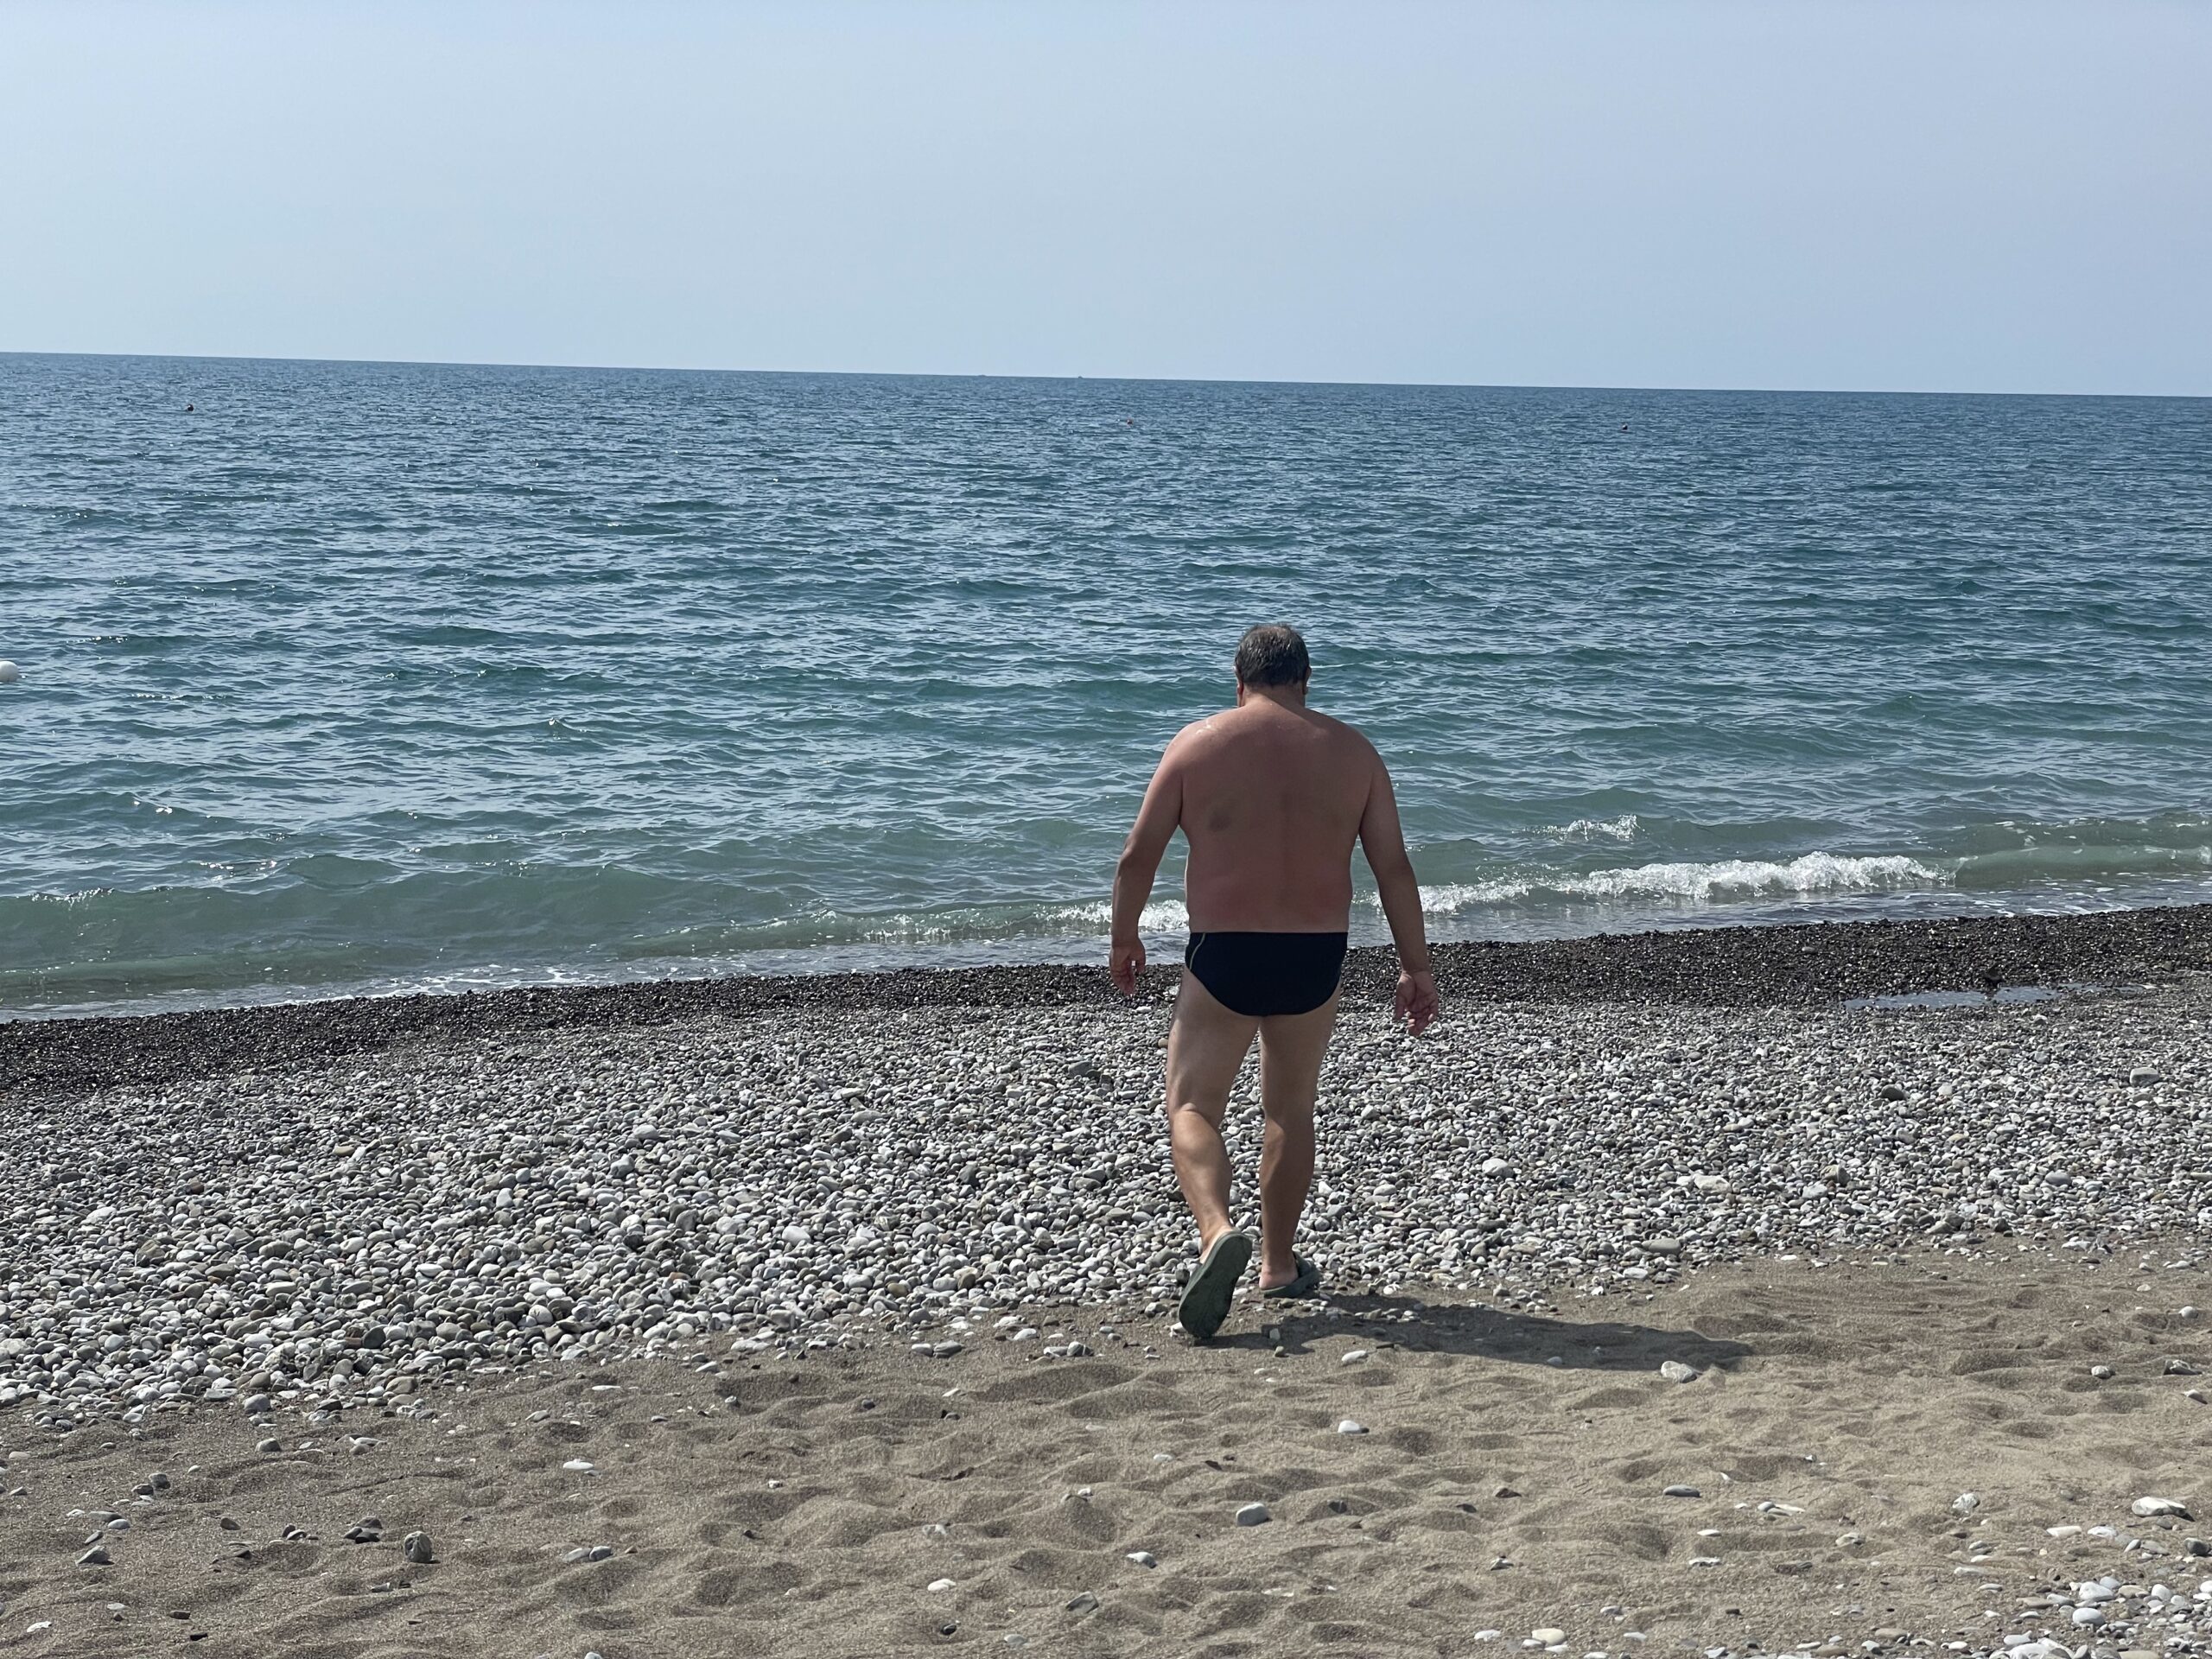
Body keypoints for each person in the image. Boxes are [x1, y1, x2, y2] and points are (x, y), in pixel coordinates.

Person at [1109, 623, 1439, 1339]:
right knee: (1289, 1109)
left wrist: (1125, 936)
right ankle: (1279, 1267)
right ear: (1306, 680)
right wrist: (1416, 966)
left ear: (1239, 681)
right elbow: (1394, 869)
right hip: (1313, 956)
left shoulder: (1198, 745)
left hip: (1225, 953)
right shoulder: (1355, 754)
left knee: (1192, 1106)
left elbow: (1138, 855)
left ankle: (1217, 1233)